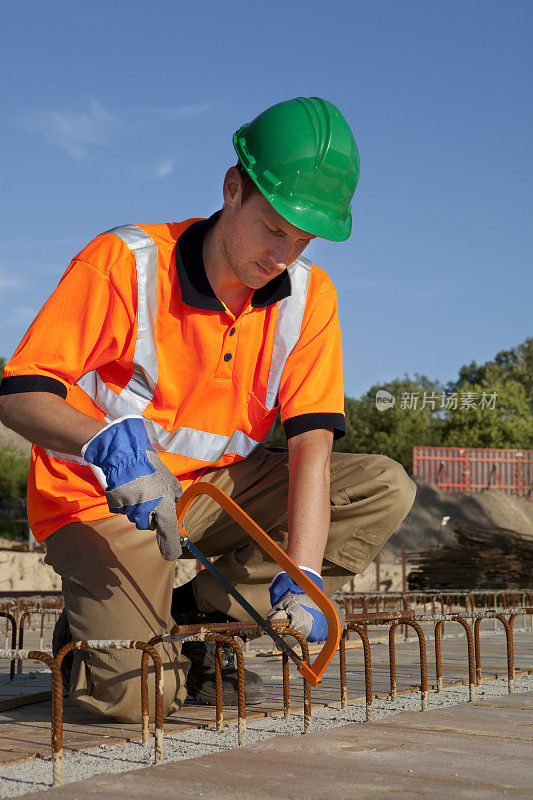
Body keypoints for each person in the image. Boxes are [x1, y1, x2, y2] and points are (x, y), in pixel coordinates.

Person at [0, 97, 416, 722]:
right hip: (103, 499)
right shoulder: (127, 264)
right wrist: (103, 443)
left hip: (208, 499)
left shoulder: (308, 300)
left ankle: (197, 612)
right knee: (138, 704)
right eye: (274, 228)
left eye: (301, 240)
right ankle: (91, 638)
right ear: (231, 191)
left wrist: (303, 569)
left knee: (380, 486)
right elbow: (19, 392)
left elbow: (311, 449)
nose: (283, 256)